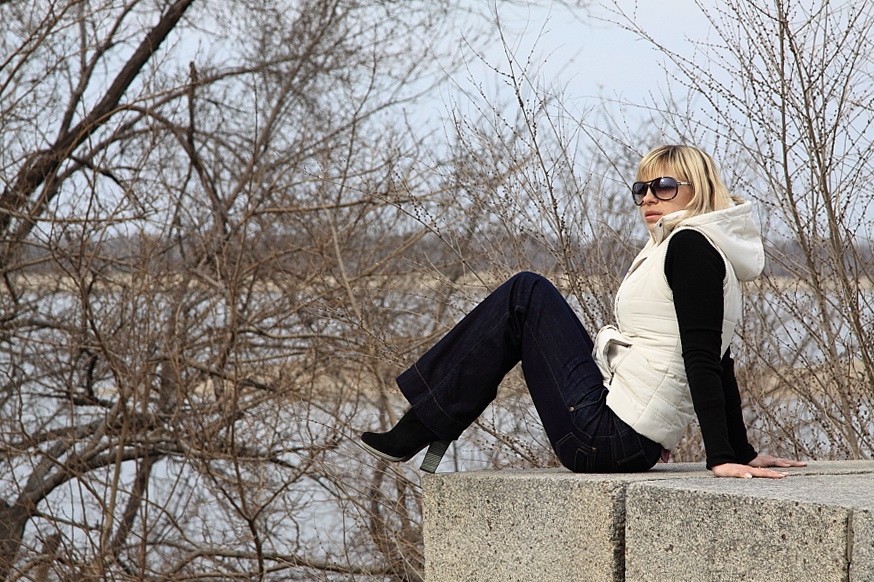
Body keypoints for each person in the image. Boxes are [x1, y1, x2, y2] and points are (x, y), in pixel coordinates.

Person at [361, 144, 806, 478]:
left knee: (526, 294)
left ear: (699, 190)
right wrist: (741, 450)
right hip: (620, 433)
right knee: (526, 294)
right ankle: (430, 422)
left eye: (664, 187)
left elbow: (706, 357)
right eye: (641, 189)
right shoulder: (691, 248)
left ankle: (423, 424)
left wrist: (723, 456)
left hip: (609, 439)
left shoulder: (689, 247)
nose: (649, 198)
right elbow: (722, 359)